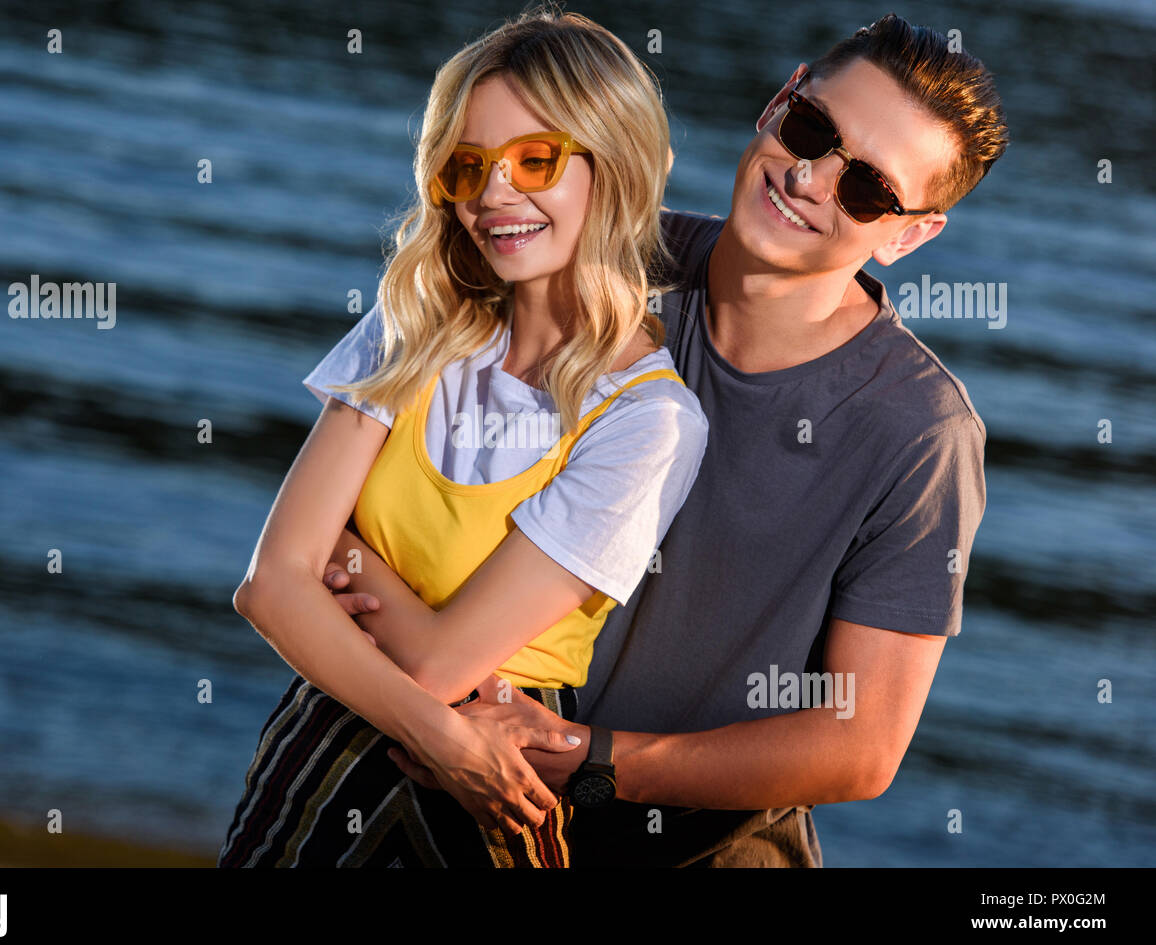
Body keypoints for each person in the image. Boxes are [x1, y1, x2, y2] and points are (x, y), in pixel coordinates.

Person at [341, 13, 1008, 866]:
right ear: (778, 102)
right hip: (458, 779)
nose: (809, 179)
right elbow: (387, 465)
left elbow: (862, 743)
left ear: (911, 233)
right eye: (811, 129)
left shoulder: (920, 432)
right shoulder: (600, 257)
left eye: (869, 189)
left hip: (702, 850)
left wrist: (589, 761)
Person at [218, 9, 708, 868]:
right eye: (469, 165)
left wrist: (345, 555)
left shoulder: (646, 419)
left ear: (614, 162)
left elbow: (443, 661)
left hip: (476, 808)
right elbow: (266, 588)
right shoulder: (416, 322)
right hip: (324, 759)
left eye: (535, 160)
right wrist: (443, 735)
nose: (493, 194)